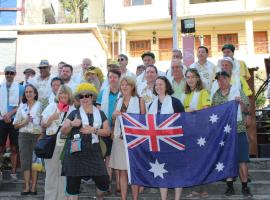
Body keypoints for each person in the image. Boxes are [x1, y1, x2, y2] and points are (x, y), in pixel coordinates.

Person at [61, 83, 110, 200]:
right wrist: (72, 124)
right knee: (72, 188)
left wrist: (93, 130)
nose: (84, 99)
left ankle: (99, 197)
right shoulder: (74, 113)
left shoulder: (100, 113)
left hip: (94, 153)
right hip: (75, 154)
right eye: (81, 96)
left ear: (92, 97)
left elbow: (107, 132)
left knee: (104, 183)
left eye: (87, 96)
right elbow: (63, 131)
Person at [212, 71, 252, 197]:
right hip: (224, 133)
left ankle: (245, 186)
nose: (221, 81)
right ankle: (230, 187)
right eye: (218, 79)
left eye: (224, 78)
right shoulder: (216, 95)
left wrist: (240, 103)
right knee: (227, 159)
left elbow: (247, 109)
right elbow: (214, 115)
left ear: (229, 79)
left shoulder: (238, 91)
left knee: (242, 160)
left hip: (239, 130)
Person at [148, 76, 184, 200]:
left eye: (161, 84)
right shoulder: (151, 105)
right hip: (158, 143)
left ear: (166, 86)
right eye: (156, 85)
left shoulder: (176, 102)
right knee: (161, 171)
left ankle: (177, 198)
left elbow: (183, 122)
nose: (158, 87)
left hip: (174, 142)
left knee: (176, 170)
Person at [110, 76, 146, 200]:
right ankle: (124, 198)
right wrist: (114, 116)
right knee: (122, 171)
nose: (124, 87)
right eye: (122, 85)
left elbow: (143, 121)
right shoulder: (118, 100)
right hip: (119, 138)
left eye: (127, 85)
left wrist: (124, 115)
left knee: (134, 170)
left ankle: (135, 198)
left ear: (132, 87)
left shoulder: (140, 100)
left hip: (134, 139)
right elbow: (114, 119)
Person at [42, 85, 75, 200]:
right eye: (61, 93)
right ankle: (50, 198)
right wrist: (53, 117)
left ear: (69, 95)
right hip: (52, 145)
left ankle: (62, 197)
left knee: (64, 174)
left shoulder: (73, 109)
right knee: (51, 173)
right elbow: (43, 124)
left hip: (67, 145)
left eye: (65, 93)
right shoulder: (52, 106)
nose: (63, 95)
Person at [182, 68, 211, 198]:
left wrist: (191, 111)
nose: (190, 79)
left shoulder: (203, 92)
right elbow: (181, 111)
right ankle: (193, 189)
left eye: (193, 77)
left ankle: (203, 189)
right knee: (191, 160)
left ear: (198, 78)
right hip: (188, 132)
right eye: (188, 77)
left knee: (202, 160)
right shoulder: (184, 94)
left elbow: (206, 109)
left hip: (201, 131)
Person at [13, 84, 42, 195]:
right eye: (27, 92)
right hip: (24, 136)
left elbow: (43, 122)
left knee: (35, 162)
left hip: (37, 136)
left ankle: (34, 187)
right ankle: (26, 187)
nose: (29, 94)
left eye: (31, 92)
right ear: (24, 94)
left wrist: (41, 135)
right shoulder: (22, 106)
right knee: (25, 162)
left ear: (35, 93)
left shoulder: (40, 105)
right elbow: (15, 125)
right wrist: (24, 122)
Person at [96, 68, 121, 193]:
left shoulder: (123, 92)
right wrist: (107, 126)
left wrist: (114, 125)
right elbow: (99, 110)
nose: (112, 79)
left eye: (115, 77)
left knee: (117, 157)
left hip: (119, 129)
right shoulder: (103, 92)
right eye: (110, 77)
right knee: (108, 157)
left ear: (119, 78)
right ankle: (107, 185)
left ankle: (119, 185)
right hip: (105, 128)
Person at [0, 66, 24, 181]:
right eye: (7, 73)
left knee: (14, 147)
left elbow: (21, 104)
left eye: (11, 73)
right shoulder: (0, 87)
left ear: (14, 74)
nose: (9, 75)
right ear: (5, 74)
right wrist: (4, 115)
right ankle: (0, 170)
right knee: (1, 146)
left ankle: (13, 172)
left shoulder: (20, 87)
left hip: (14, 119)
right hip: (2, 119)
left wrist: (9, 114)